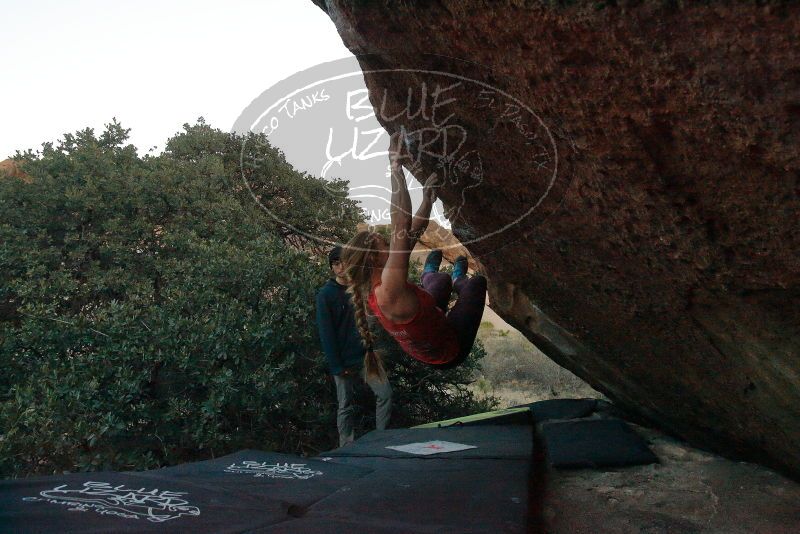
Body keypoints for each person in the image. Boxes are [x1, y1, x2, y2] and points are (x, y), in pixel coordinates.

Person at [340, 132, 487, 378]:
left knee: (439, 281)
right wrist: (395, 168)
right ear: (373, 258)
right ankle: (461, 279)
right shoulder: (389, 289)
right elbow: (401, 223)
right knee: (476, 285)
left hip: (429, 325)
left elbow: (410, 231)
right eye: (383, 244)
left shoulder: (373, 286)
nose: (390, 244)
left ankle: (432, 274)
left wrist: (427, 202)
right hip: (448, 351)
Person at [316, 246, 392, 447]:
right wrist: (336, 366)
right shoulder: (326, 295)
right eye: (336, 263)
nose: (341, 267)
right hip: (343, 360)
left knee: (385, 394)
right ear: (332, 267)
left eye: (344, 261)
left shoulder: (361, 288)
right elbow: (327, 334)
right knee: (345, 405)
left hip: (367, 357)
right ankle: (346, 446)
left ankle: (381, 440)